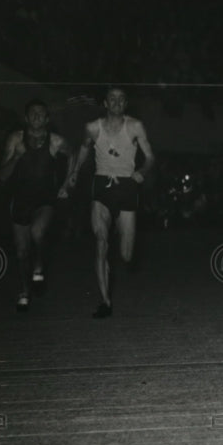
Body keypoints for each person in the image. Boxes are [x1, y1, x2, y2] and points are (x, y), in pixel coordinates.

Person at [66, 87, 155, 319]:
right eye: (112, 99)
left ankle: (118, 240)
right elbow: (84, 148)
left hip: (127, 187)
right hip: (101, 186)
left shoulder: (135, 126)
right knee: (101, 242)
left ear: (126, 103)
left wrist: (142, 171)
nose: (116, 102)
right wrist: (75, 172)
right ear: (105, 103)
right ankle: (105, 301)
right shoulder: (93, 127)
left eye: (121, 99)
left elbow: (150, 157)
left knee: (125, 256)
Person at [0, 99, 74, 312]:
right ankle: (24, 290)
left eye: (42, 114)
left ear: (47, 119)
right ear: (26, 117)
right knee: (22, 252)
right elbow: (2, 176)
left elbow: (73, 155)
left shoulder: (56, 141)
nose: (37, 117)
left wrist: (67, 183)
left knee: (38, 232)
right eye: (33, 113)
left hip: (45, 199)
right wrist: (17, 156)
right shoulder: (16, 139)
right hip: (20, 200)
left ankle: (39, 265)